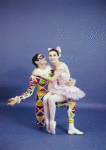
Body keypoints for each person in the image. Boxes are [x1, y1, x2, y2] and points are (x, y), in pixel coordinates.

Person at [7, 53, 74, 129]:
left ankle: (71, 127)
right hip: (41, 100)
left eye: (44, 56)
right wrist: (18, 98)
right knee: (41, 125)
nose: (44, 57)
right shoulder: (34, 76)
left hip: (54, 96)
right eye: (41, 57)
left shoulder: (52, 70)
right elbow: (29, 91)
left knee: (71, 103)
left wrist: (70, 81)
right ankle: (46, 122)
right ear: (37, 62)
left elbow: (62, 78)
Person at [34, 46, 85, 134]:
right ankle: (48, 122)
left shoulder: (62, 65)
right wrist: (37, 71)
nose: (52, 57)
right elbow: (52, 79)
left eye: (54, 55)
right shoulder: (53, 66)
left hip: (65, 90)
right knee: (45, 98)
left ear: (58, 56)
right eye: (50, 55)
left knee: (51, 99)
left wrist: (39, 74)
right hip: (57, 89)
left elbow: (53, 79)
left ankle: (52, 122)